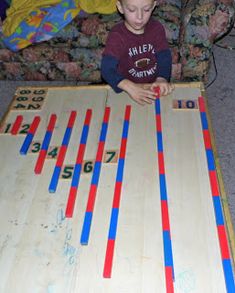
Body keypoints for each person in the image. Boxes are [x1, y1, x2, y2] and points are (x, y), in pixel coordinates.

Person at [101, 0, 174, 105]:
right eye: (132, 9)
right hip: (125, 89)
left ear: (153, 6)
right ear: (120, 7)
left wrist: (162, 78)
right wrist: (129, 87)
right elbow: (106, 69)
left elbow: (164, 56)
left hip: (153, 86)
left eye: (146, 9)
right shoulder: (117, 35)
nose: (140, 17)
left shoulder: (157, 28)